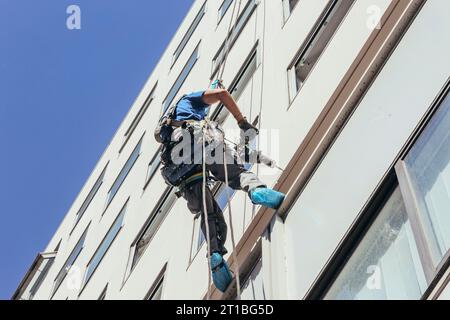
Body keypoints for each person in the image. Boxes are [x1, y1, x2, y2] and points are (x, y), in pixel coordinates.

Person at [155, 87, 285, 292]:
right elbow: (222, 93)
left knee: (209, 215)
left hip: (181, 166)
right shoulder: (189, 99)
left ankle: (215, 256)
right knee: (236, 175)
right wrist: (242, 122)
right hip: (202, 144)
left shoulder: (170, 123)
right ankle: (257, 191)